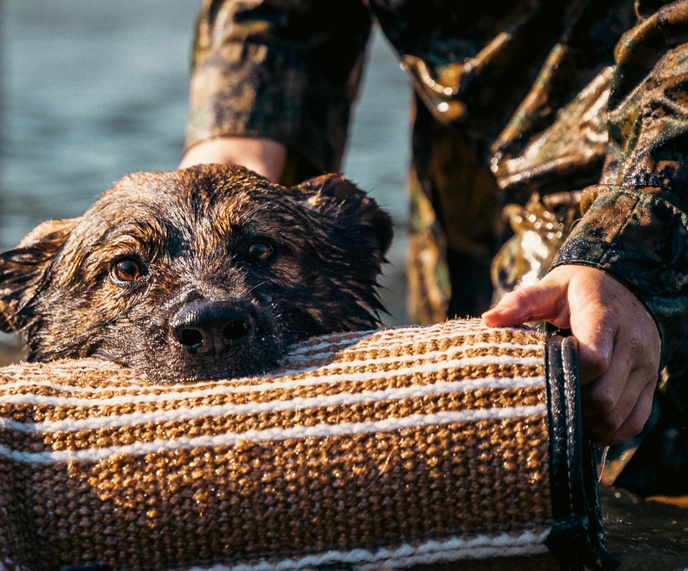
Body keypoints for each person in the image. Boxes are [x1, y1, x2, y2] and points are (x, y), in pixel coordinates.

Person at [178, 0, 688, 482]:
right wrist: (237, 133)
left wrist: (632, 243)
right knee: (457, 455)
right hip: (464, 156)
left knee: (612, 459)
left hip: (650, 153)